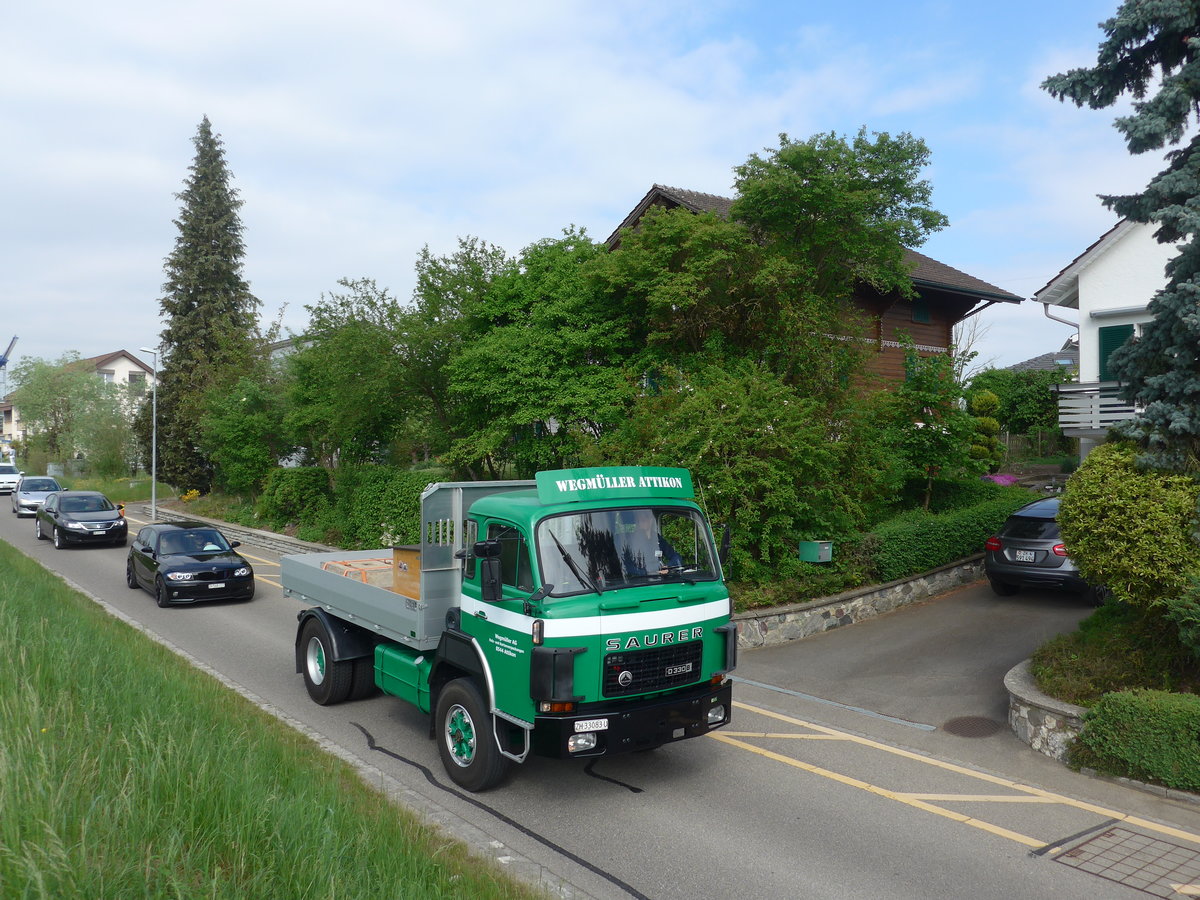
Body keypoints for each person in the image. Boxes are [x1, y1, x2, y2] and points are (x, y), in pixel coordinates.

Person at [615, 509, 681, 576]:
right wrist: (647, 573)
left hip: (659, 578)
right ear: (637, 520)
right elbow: (625, 565)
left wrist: (668, 567)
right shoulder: (630, 540)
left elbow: (676, 557)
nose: (643, 520)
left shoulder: (657, 538)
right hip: (638, 579)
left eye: (647, 516)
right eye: (640, 518)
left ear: (651, 519)